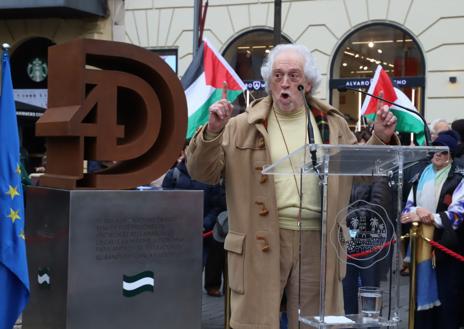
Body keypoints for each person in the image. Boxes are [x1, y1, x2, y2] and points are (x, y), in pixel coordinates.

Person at [186, 43, 397, 329]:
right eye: (278, 75)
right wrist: (212, 132)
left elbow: (358, 173)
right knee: (256, 323)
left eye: (294, 75)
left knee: (314, 323)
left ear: (307, 83)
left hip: (318, 239)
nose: (285, 82)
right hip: (260, 240)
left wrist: (380, 139)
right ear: (269, 81)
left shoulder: (331, 124)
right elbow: (201, 172)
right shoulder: (240, 125)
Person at [401, 130, 464, 329]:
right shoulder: (420, 175)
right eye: (435, 151)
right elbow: (407, 209)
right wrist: (418, 211)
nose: (438, 155)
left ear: (451, 154)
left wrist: (429, 218)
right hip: (421, 247)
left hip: (448, 249)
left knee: (447, 298)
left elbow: (458, 214)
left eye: (444, 152)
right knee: (420, 299)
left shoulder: (459, 178)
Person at [162, 146, 227, 297]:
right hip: (175, 236)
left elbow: (216, 206)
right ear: (184, 152)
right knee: (173, 273)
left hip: (201, 236)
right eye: (190, 150)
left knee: (194, 271)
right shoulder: (173, 175)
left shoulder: (211, 177)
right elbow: (163, 204)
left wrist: (204, 224)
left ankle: (188, 307)